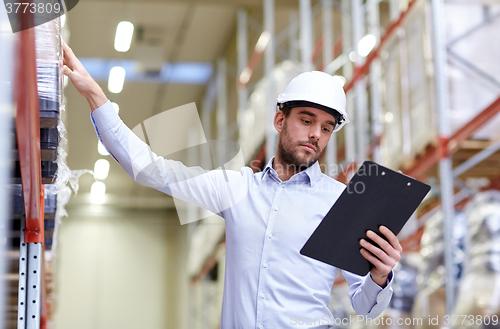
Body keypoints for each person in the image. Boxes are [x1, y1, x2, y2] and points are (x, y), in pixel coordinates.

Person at [63, 41, 401, 328]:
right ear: (280, 120)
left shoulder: (341, 203)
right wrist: (94, 94)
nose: (316, 134)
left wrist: (381, 276)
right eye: (307, 120)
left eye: (327, 128)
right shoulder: (238, 189)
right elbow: (152, 169)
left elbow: (365, 305)